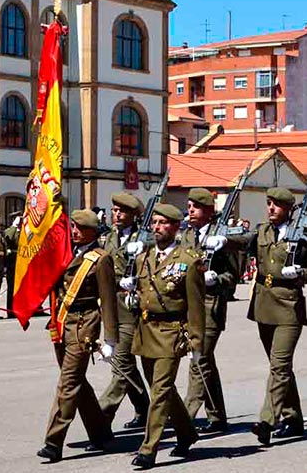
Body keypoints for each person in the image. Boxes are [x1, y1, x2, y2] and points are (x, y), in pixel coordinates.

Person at [120, 203, 205, 469]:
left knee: (159, 391)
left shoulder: (188, 261)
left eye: (163, 223)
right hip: (146, 331)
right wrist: (128, 297)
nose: (156, 228)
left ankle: (149, 449)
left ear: (176, 227)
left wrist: (197, 343)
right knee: (164, 391)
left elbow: (196, 306)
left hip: (172, 332)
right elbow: (139, 296)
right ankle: (187, 433)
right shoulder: (143, 258)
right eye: (154, 223)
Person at [37, 209, 118, 463]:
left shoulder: (101, 259)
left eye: (80, 228)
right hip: (62, 321)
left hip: (84, 324)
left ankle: (53, 441)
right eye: (73, 226)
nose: (74, 231)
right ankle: (101, 433)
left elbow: (107, 300)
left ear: (93, 231)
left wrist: (110, 339)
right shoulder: (66, 252)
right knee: (77, 382)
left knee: (68, 382)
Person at [247, 187, 307, 446]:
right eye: (268, 203)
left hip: (289, 305)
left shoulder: (304, 236)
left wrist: (300, 272)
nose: (271, 209)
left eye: (276, 205)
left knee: (279, 366)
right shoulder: (262, 231)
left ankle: (267, 420)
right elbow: (242, 245)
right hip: (263, 304)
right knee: (281, 367)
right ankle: (293, 418)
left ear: (289, 208)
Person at [180, 187, 236, 434]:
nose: (190, 210)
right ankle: (217, 416)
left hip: (211, 307)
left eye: (196, 206)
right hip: (190, 308)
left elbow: (232, 276)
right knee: (206, 363)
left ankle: (185, 416)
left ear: (208, 211)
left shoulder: (220, 238)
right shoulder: (188, 237)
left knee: (198, 359)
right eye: (189, 206)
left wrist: (217, 280)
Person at [98, 192, 150, 430]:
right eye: (114, 210)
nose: (116, 214)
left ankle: (99, 418)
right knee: (125, 362)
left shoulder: (144, 239)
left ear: (133, 215)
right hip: (111, 307)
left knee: (120, 363)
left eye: (122, 211)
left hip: (133, 307)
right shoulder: (108, 238)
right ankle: (146, 409)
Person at [3, 211, 22, 318]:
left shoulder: (24, 231)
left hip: (22, 262)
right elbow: (8, 238)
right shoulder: (9, 231)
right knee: (12, 288)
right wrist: (15, 226)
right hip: (12, 263)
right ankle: (11, 310)